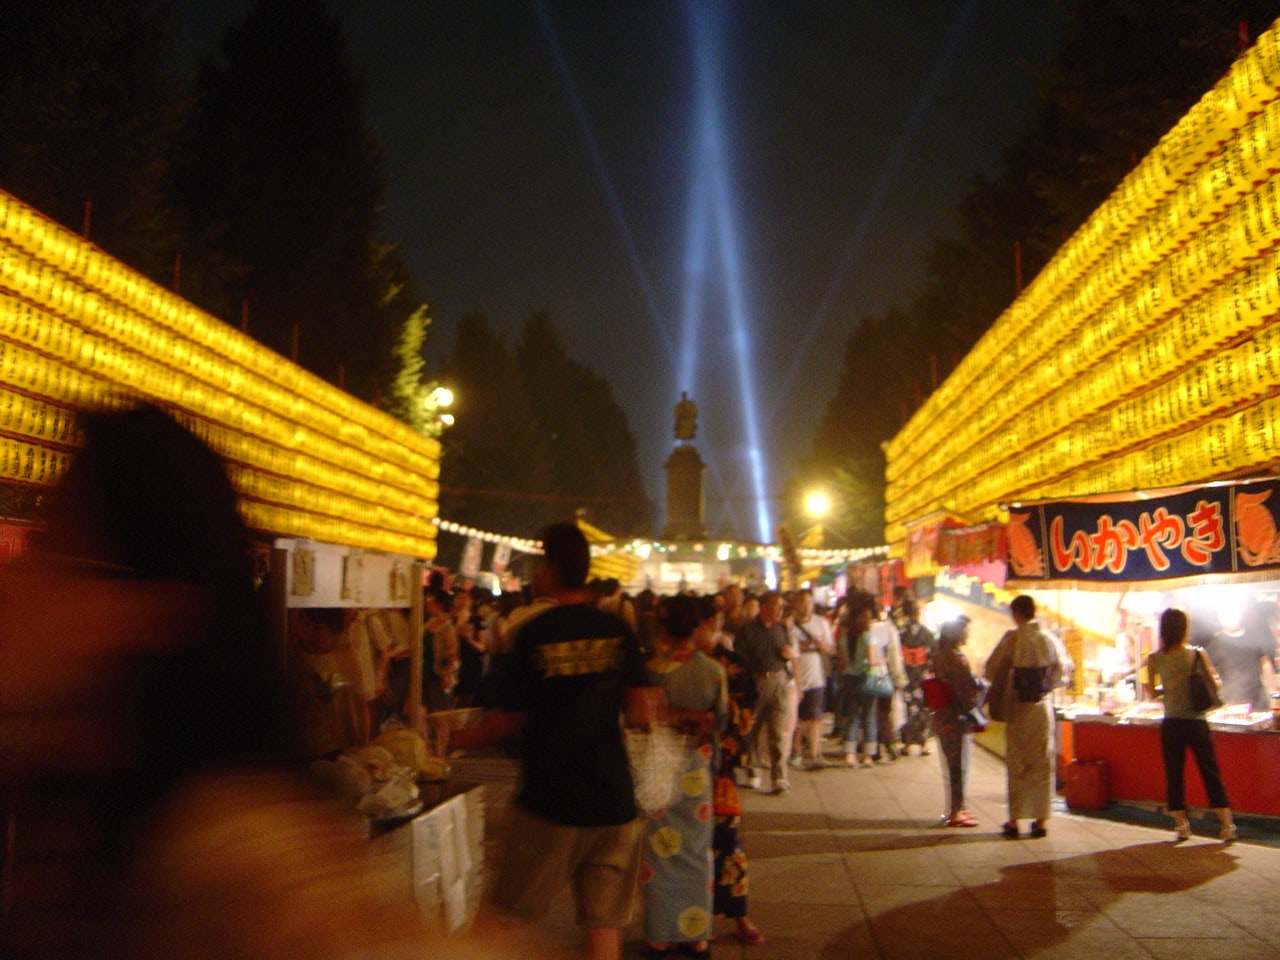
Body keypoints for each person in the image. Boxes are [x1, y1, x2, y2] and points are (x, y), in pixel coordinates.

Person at [0, 404, 495, 960]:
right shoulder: (90, 785)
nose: (24, 576)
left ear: (152, 607)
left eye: (58, 545)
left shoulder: (230, 860)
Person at [455, 521, 652, 960]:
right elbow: (641, 712)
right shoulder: (617, 631)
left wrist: (460, 738)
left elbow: (508, 720)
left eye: (539, 562)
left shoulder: (534, 634)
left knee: (502, 917)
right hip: (614, 803)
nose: (535, 572)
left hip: (551, 802)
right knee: (602, 927)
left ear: (552, 567)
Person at [640, 594, 727, 959]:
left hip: (660, 764)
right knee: (696, 850)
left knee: (659, 850)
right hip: (696, 766)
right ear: (697, 627)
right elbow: (720, 721)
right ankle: (696, 935)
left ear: (662, 628)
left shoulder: (651, 669)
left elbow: (640, 719)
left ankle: (661, 934)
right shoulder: (713, 671)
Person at [692, 596, 765, 948]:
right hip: (681, 770)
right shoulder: (673, 664)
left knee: (729, 843)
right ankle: (691, 919)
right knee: (686, 848)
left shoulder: (731, 664)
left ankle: (739, 915)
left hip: (719, 770)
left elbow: (745, 715)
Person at [1144, 608, 1236, 842]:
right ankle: (1227, 826)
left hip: (1171, 724)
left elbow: (1151, 692)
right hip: (1196, 723)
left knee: (1174, 774)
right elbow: (1215, 682)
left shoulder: (1154, 658)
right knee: (1210, 772)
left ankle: (1182, 826)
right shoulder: (1197, 654)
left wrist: (1169, 688)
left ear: (1163, 629)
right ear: (1185, 629)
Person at [984, 594, 1069, 839]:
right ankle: (1041, 820)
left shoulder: (1012, 639)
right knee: (1041, 761)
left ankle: (1015, 819)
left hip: (1018, 707)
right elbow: (1062, 672)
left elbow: (991, 668)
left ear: (1016, 613)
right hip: (1042, 706)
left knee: (1018, 761)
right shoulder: (1049, 639)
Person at [733, 590, 797, 793]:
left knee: (777, 732)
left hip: (779, 682)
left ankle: (779, 777)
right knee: (750, 730)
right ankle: (752, 770)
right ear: (765, 607)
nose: (779, 610)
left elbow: (789, 653)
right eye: (775, 605)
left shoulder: (781, 628)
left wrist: (788, 656)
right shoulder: (747, 630)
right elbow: (739, 658)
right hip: (756, 683)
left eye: (781, 606)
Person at [928, 617, 985, 827]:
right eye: (966, 631)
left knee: (952, 765)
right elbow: (966, 691)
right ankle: (955, 812)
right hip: (956, 719)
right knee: (958, 767)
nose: (968, 635)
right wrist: (980, 688)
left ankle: (958, 808)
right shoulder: (956, 658)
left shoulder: (939, 655)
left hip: (942, 716)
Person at [787, 588, 835, 770]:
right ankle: (796, 752)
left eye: (809, 603)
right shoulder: (789, 625)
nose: (806, 607)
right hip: (794, 678)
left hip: (816, 677)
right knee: (796, 718)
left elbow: (832, 650)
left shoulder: (822, 623)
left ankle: (815, 754)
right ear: (795, 604)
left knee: (815, 717)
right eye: (802, 603)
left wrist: (823, 646)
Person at [838, 592, 884, 767]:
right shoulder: (868, 637)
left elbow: (842, 662)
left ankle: (850, 755)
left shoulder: (844, 638)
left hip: (849, 679)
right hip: (865, 679)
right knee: (869, 717)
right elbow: (871, 661)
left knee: (852, 716)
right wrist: (881, 660)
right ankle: (867, 756)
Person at [1206, 600, 1277, 711]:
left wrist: (1274, 693)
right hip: (1233, 704)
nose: (1229, 617)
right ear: (1219, 618)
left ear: (1240, 614)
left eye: (1233, 612)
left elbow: (1265, 663)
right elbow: (1209, 674)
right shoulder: (1216, 643)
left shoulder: (1253, 637)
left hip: (1259, 702)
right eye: (1224, 615)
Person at [897, 597, 937, 755]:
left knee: (907, 708)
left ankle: (907, 744)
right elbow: (933, 654)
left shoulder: (899, 632)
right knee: (923, 708)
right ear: (918, 612)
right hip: (922, 676)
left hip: (905, 675)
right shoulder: (927, 633)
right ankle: (923, 744)